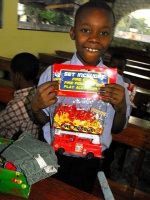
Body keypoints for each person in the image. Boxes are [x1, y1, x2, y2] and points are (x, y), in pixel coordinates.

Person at [31, 1, 130, 193]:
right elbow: (43, 120)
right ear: (72, 33)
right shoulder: (52, 74)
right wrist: (36, 107)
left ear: (111, 37)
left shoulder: (116, 83)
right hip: (53, 154)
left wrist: (121, 108)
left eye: (103, 33)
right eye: (86, 30)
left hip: (89, 161)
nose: (94, 39)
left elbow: (116, 129)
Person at [0, 52, 40, 140]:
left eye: (11, 74)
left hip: (12, 146)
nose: (11, 78)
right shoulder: (37, 95)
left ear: (17, 76)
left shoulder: (16, 105)